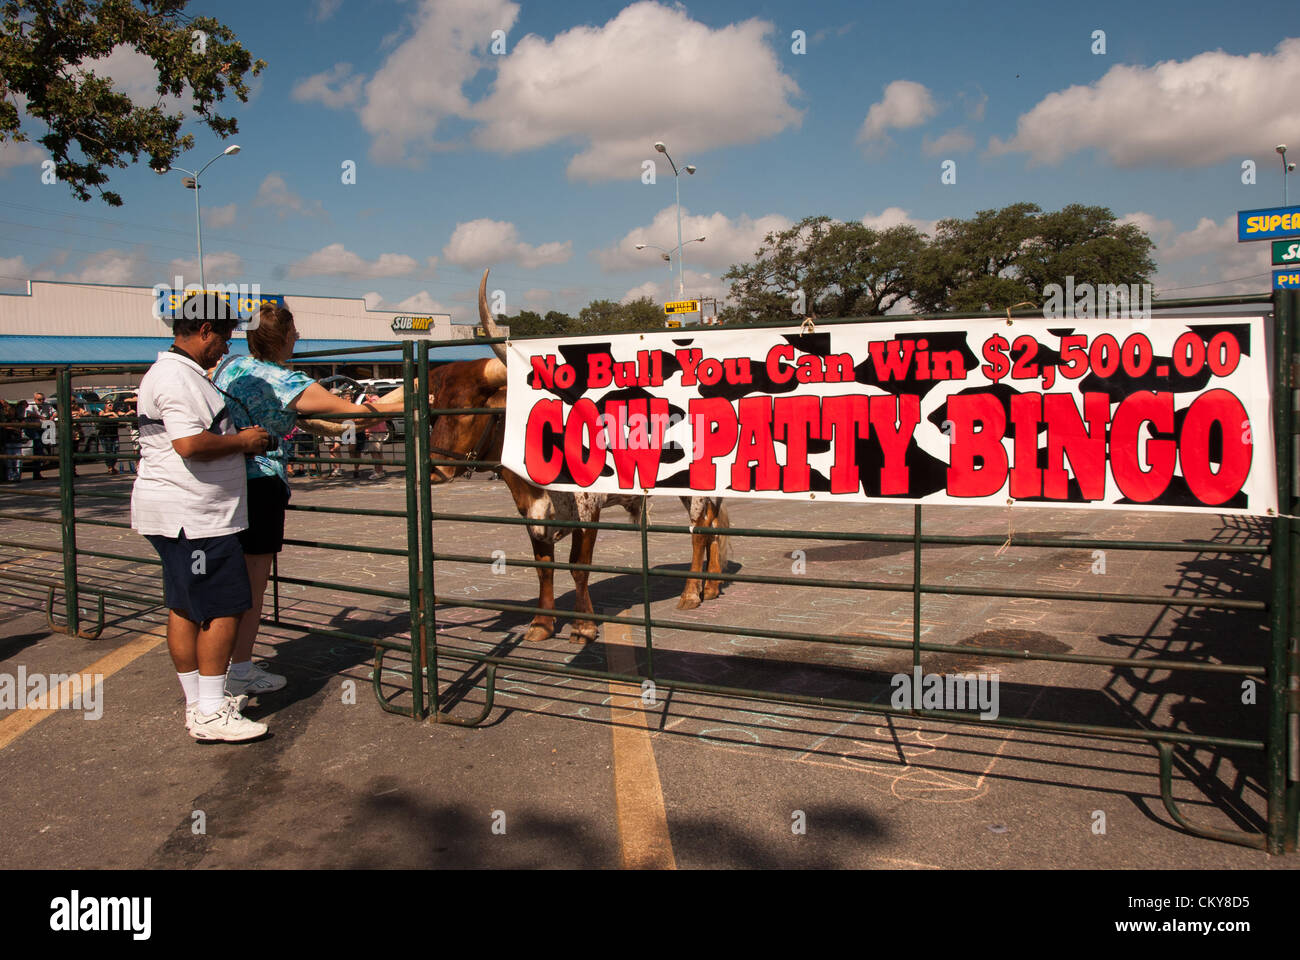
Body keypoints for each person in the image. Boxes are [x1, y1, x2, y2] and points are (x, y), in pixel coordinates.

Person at [212, 302, 403, 697]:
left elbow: (316, 420)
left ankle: (218, 672)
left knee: (225, 579)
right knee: (252, 584)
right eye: (295, 332)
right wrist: (407, 396)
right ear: (285, 337)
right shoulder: (287, 381)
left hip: (221, 480)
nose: (298, 337)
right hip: (260, 483)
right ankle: (237, 671)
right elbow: (354, 415)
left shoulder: (230, 366)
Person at [131, 296, 271, 741]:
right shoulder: (177, 376)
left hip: (179, 514)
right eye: (224, 337)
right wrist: (244, 441)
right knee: (222, 608)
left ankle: (198, 703)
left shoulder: (174, 372)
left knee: (185, 607)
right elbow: (190, 444)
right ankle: (211, 712)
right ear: (205, 329)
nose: (225, 347)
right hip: (195, 517)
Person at [24, 391, 53, 479]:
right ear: (35, 399)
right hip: (32, 429)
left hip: (42, 429)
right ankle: (38, 468)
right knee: (37, 444)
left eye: (43, 399)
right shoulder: (31, 405)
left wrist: (51, 417)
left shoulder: (46, 405)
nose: (41, 401)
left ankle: (39, 468)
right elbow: (28, 413)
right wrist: (40, 417)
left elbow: (54, 411)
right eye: (39, 399)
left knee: (42, 444)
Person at [2, 401, 23, 483]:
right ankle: (11, 477)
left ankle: (17, 477)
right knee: (10, 460)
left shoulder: (17, 418)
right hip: (9, 440)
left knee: (18, 460)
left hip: (16, 440)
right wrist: (14, 428)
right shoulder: (5, 419)